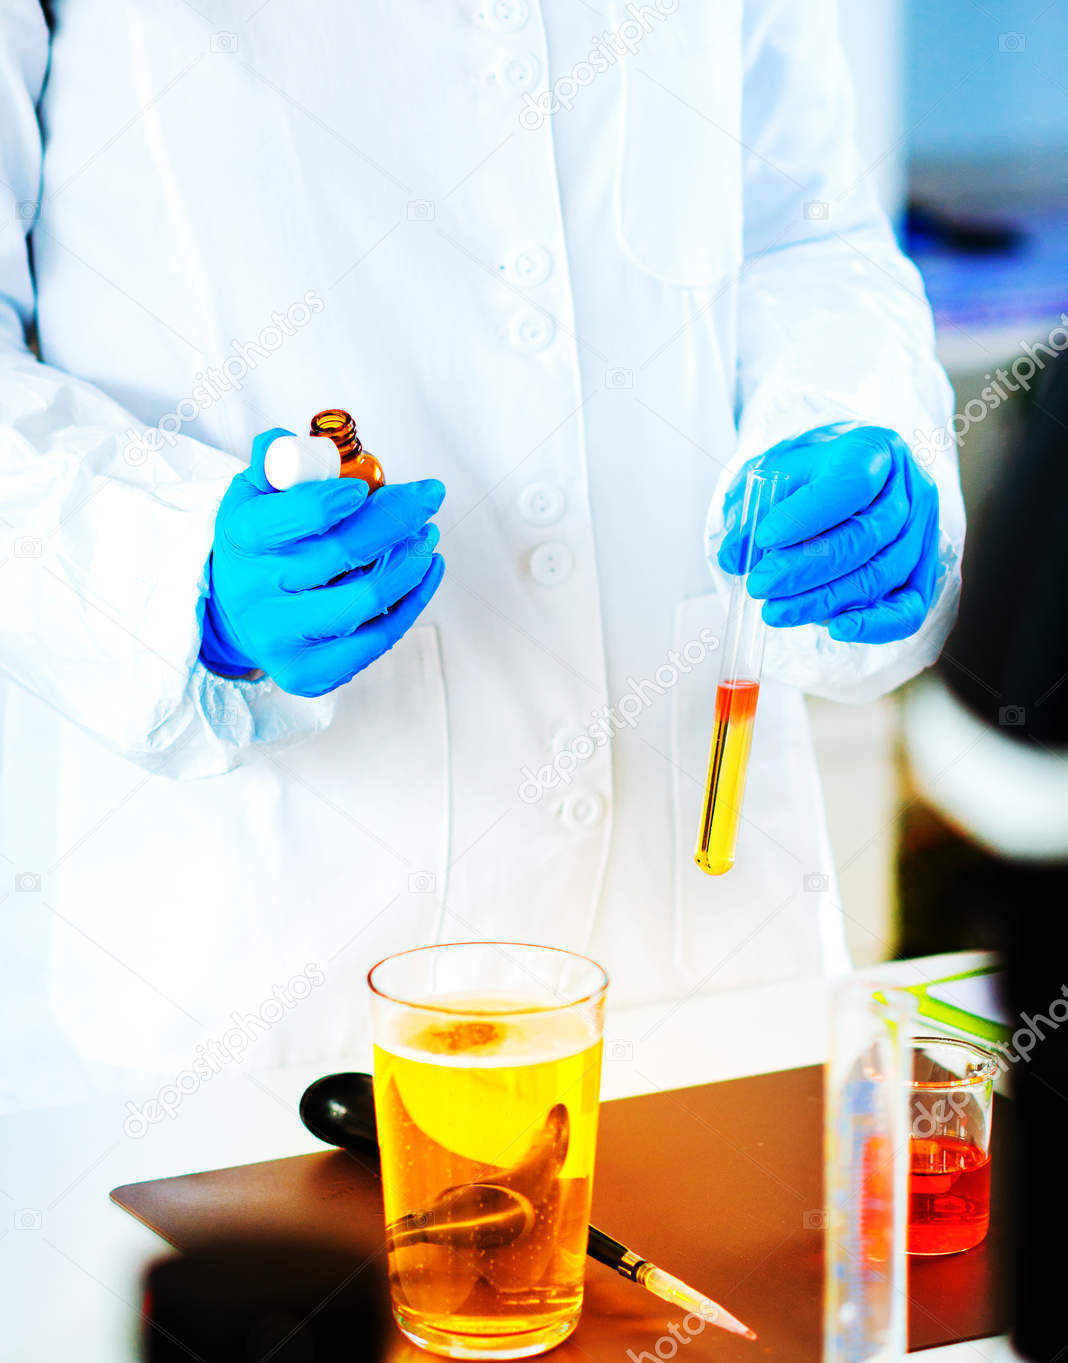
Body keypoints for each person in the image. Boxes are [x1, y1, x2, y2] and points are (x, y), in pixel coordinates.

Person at [0, 3, 963, 1107]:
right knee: (287, 1280)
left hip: (713, 958)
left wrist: (850, 420)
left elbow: (805, 234)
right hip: (270, 1000)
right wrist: (169, 581)